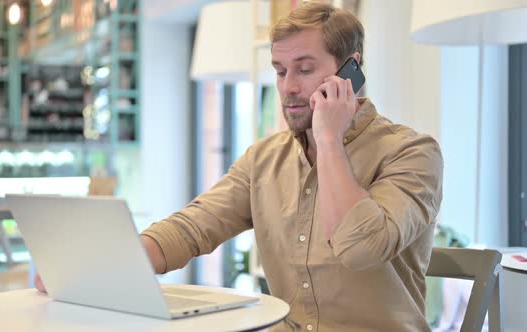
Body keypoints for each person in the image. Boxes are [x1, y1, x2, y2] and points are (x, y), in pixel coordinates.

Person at [36, 2, 443, 331]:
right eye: (281, 72)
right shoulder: (264, 159)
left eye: (305, 69)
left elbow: (361, 248)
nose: (288, 87)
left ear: (349, 71)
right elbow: (192, 228)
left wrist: (329, 139)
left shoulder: (411, 153)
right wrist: (95, 270)